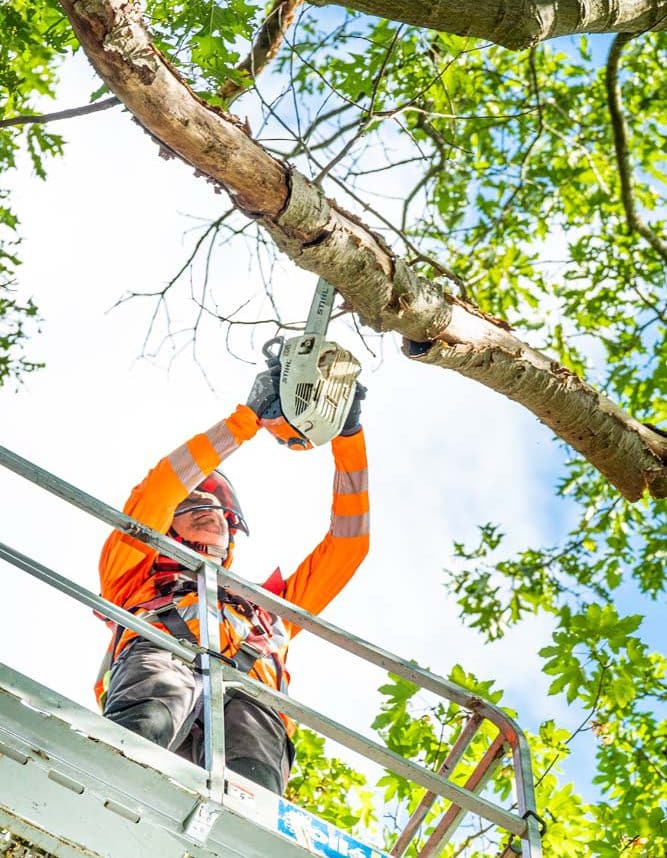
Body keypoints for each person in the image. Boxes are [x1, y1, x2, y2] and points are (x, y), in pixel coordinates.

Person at [94, 371, 369, 795]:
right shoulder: (134, 574)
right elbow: (159, 489)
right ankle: (106, 789)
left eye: (220, 508)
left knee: (254, 785)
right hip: (160, 662)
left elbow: (349, 545)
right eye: (192, 504)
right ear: (168, 525)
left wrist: (348, 435)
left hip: (253, 695)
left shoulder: (268, 607)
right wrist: (246, 421)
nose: (209, 508)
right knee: (144, 728)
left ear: (232, 528)